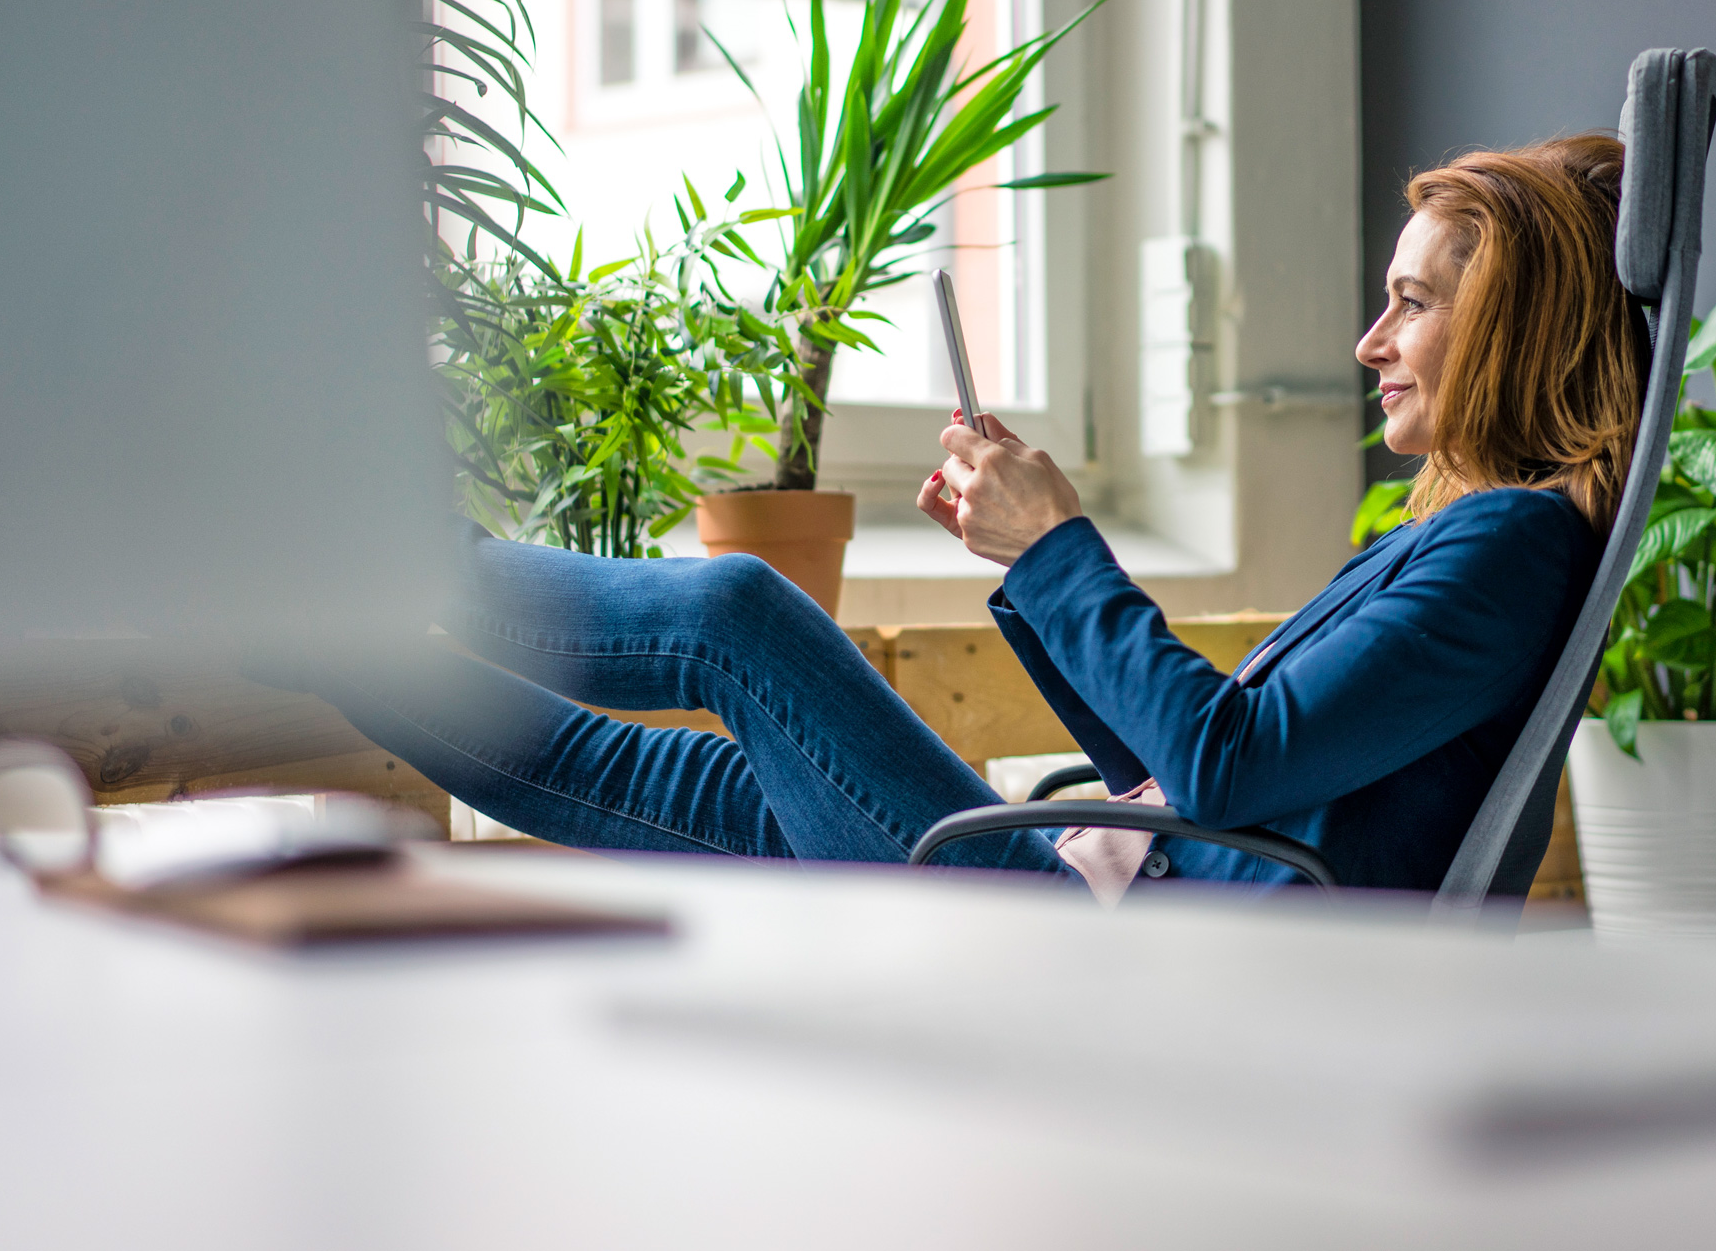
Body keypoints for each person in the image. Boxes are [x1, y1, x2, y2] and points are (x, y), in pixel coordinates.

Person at [264, 133, 1641, 898]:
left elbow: (1226, 766)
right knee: (671, 784)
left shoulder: (1509, 548)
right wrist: (1031, 566)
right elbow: (1201, 766)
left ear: (1512, 325)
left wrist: (1058, 548)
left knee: (740, 616)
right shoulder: (1459, 542)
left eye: (1414, 299)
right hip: (1096, 880)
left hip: (1087, 934)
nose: (1368, 338)